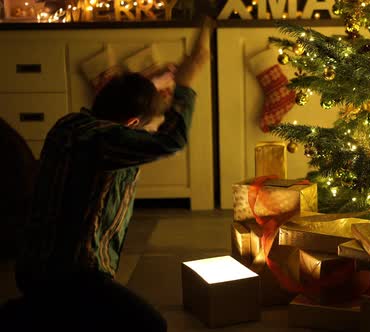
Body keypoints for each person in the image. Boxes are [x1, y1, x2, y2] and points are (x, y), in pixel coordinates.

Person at [1, 18, 214, 332]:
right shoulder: (104, 142)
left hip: (34, 267)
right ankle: (30, 314)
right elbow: (172, 141)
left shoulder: (70, 126)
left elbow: (119, 105)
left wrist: (149, 84)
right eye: (145, 127)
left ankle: (37, 312)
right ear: (130, 125)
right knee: (150, 325)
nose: (145, 136)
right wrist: (186, 83)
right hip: (72, 278)